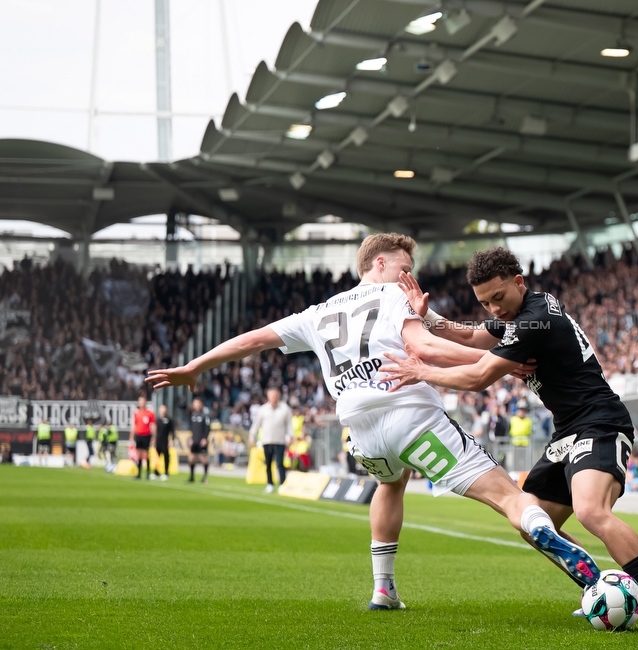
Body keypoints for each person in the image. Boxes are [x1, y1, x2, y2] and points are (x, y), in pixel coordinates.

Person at [145, 233, 602, 613]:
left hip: (361, 433)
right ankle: (548, 536)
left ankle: (383, 588)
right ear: (378, 263)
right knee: (508, 498)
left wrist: (195, 368)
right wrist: (502, 360)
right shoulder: (391, 295)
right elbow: (425, 350)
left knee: (391, 484)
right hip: (411, 416)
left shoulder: (316, 313)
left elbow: (254, 339)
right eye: (404, 268)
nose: (411, 279)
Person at [384, 247, 638, 633]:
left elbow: (478, 378)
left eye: (499, 297)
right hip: (568, 430)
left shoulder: (532, 321)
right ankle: (600, 588)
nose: (494, 309)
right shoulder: (525, 314)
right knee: (533, 524)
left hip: (599, 422)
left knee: (591, 511)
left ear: (518, 282)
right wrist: (426, 315)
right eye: (485, 302)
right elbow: (473, 335)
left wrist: (422, 370)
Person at [249, 388, 292, 494]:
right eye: (272, 396)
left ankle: (282, 483)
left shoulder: (285, 409)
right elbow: (256, 424)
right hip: (267, 440)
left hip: (280, 440)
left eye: (275, 396)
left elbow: (289, 424)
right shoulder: (263, 409)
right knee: (268, 463)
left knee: (280, 463)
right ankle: (270, 484)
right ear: (268, 397)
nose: (274, 398)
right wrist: (252, 436)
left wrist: (290, 436)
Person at [187, 398, 211, 484]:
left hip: (202, 440)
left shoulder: (205, 415)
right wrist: (190, 438)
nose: (196, 405)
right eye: (195, 403)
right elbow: (191, 428)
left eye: (198, 403)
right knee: (191, 458)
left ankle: (205, 477)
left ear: (201, 404)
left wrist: (205, 438)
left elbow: (208, 428)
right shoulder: (193, 415)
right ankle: (192, 476)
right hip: (194, 440)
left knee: (203, 458)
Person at [132, 395, 156, 480]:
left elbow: (153, 425)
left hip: (146, 435)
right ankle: (138, 474)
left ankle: (148, 474)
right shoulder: (136, 412)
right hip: (138, 435)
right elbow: (134, 425)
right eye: (140, 401)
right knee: (138, 455)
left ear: (145, 402)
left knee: (146, 454)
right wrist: (131, 437)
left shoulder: (150, 413)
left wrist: (154, 437)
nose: (141, 403)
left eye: (143, 401)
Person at [152, 404, 175, 481]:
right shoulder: (157, 420)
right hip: (158, 441)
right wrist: (153, 440)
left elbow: (172, 431)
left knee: (166, 458)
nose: (163, 411)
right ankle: (156, 472)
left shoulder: (169, 420)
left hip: (165, 441)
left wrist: (171, 440)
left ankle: (166, 473)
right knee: (156, 457)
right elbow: (155, 431)